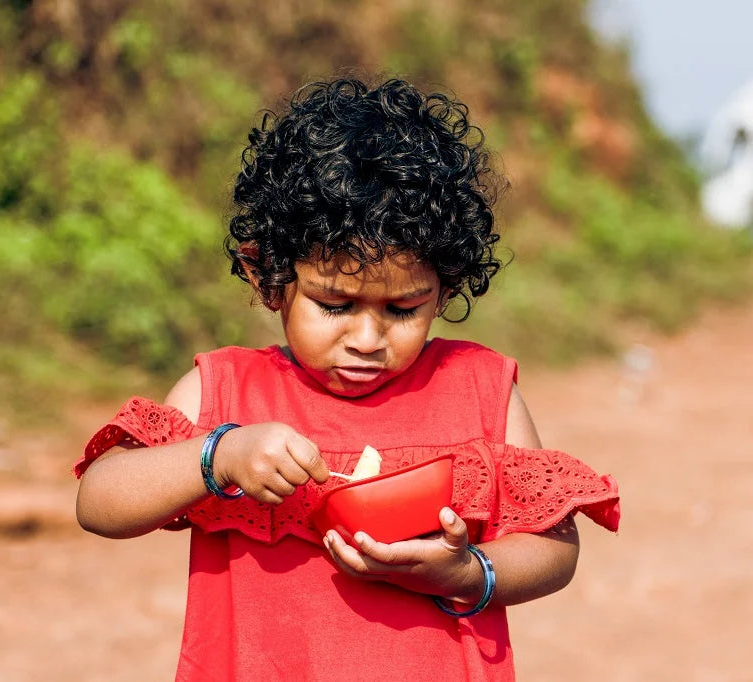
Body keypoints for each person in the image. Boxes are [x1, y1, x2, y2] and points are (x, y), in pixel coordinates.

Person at [73, 77, 620, 681]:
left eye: (403, 309)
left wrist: (470, 573)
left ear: (445, 287)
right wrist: (218, 454)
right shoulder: (225, 389)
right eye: (334, 305)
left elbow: (554, 547)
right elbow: (100, 501)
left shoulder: (481, 389)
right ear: (269, 279)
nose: (366, 338)